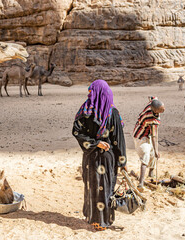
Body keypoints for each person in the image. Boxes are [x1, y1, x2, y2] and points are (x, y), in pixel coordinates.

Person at [72, 79, 127, 231]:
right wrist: (122, 162)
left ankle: (91, 217)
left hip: (90, 156)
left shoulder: (85, 110)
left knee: (92, 186)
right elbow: (118, 140)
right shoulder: (112, 112)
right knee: (105, 188)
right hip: (106, 158)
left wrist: (93, 144)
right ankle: (102, 221)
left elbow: (77, 132)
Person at [133, 96, 165, 192]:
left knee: (152, 155)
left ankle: (151, 174)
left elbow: (152, 97)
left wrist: (154, 151)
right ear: (155, 111)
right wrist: (156, 150)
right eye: (161, 109)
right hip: (140, 136)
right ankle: (141, 183)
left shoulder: (152, 103)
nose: (164, 109)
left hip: (145, 133)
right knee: (146, 156)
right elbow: (155, 136)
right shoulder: (152, 120)